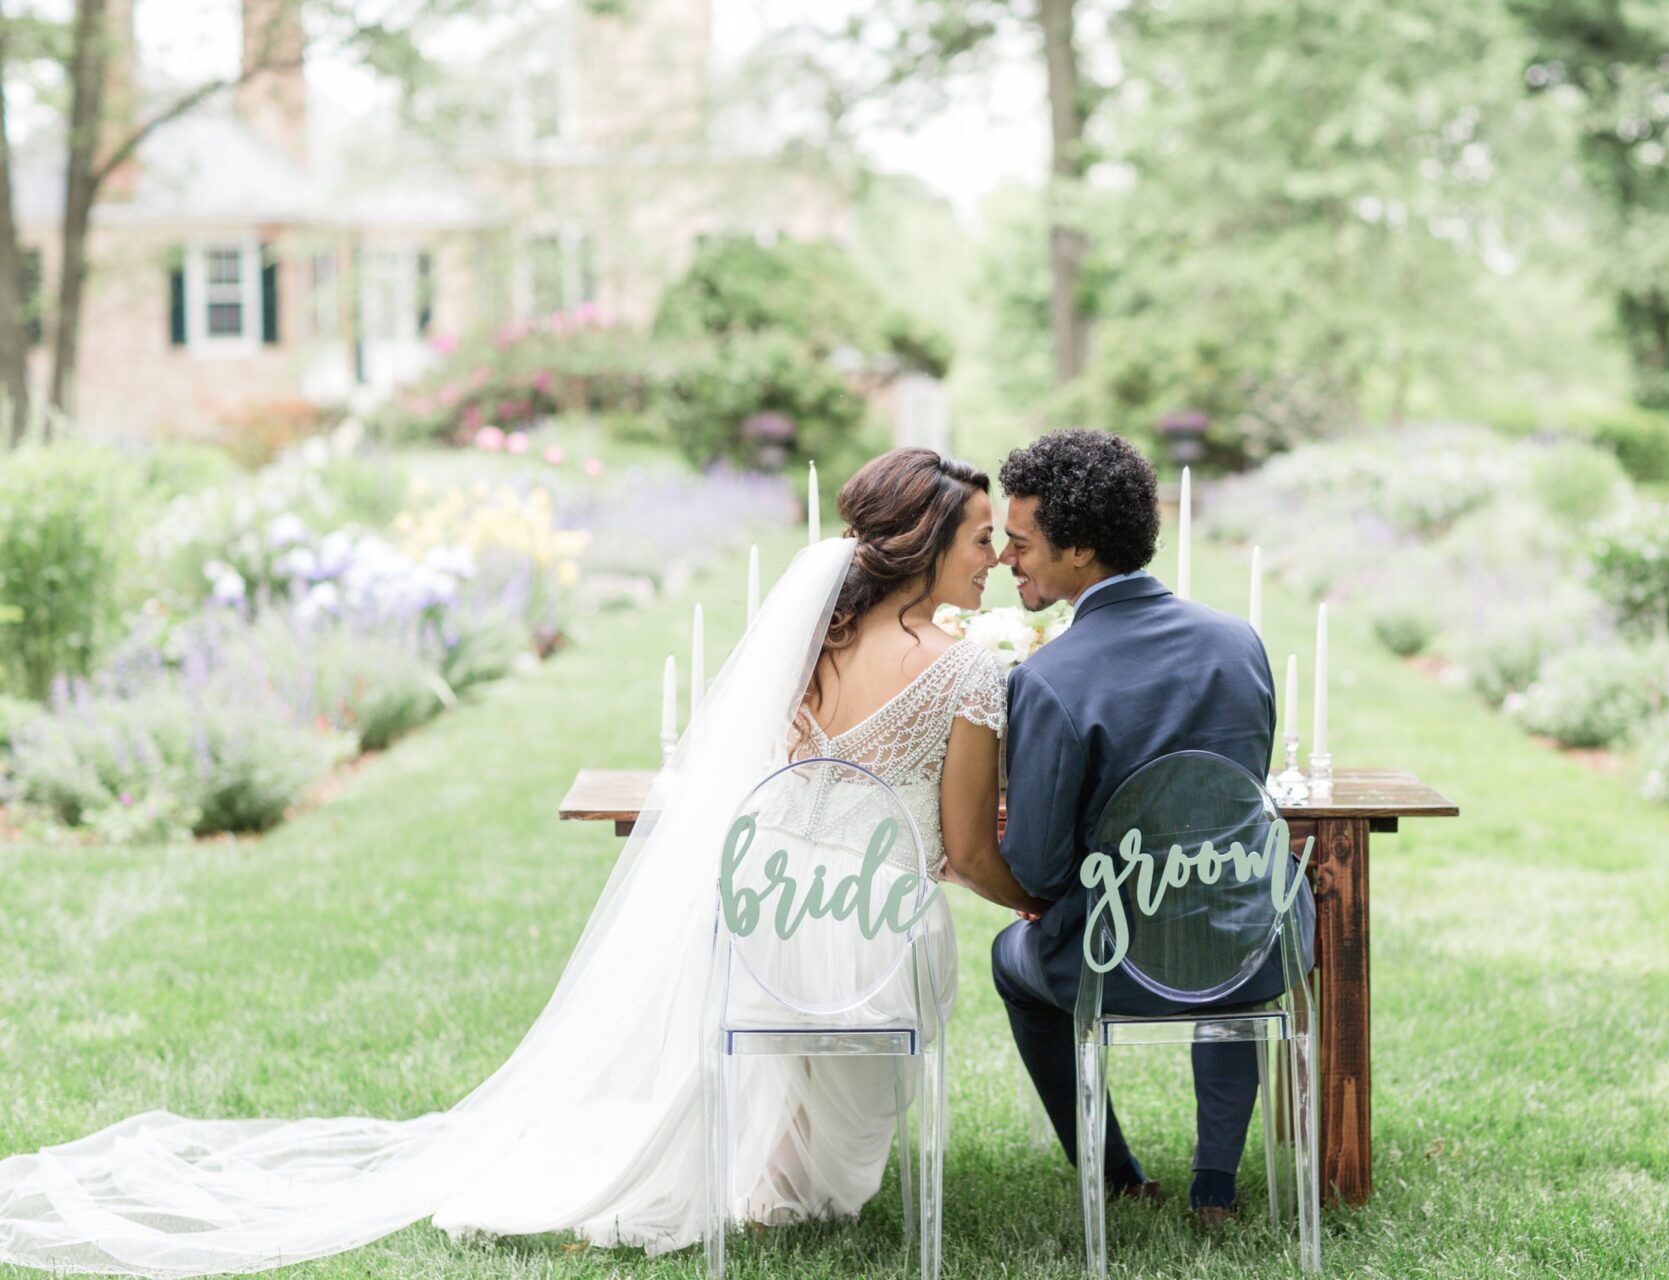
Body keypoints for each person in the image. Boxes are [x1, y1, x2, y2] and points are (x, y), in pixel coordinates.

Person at [0, 448, 1041, 1276]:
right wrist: (1029, 898)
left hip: (753, 920)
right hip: (865, 943)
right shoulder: (965, 670)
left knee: (804, 974)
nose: (994, 555)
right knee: (910, 932)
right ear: (928, 544)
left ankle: (766, 1177)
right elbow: (961, 847)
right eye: (981, 536)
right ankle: (780, 1178)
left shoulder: (810, 643)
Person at [989, 428, 1316, 1226]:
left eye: (1020, 541)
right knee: (1224, 932)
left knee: (1011, 958)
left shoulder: (1048, 677)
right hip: (1260, 942)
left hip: (1117, 964)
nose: (1005, 557)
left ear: (1082, 550)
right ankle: (1214, 1190)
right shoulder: (1240, 643)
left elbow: (1035, 868)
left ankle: (1115, 1174)